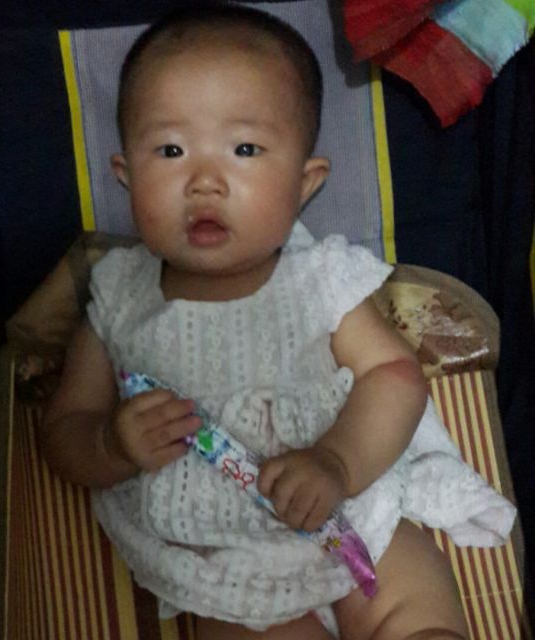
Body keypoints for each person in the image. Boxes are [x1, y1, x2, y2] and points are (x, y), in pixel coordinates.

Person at [41, 4, 515, 639]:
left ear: (304, 183)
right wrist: (110, 445)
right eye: (171, 150)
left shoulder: (321, 279)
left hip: (352, 514)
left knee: (414, 607)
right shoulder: (120, 298)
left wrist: (339, 463)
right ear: (125, 175)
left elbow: (394, 376)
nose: (205, 182)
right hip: (225, 564)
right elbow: (64, 428)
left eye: (244, 149)